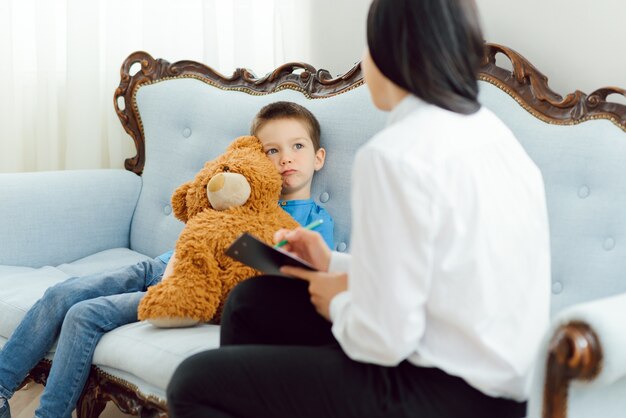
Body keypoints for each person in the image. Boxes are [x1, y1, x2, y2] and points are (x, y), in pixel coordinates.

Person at [165, 0, 551, 417]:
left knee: (193, 382)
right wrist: (330, 263)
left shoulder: (394, 154)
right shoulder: (494, 136)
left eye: (368, 48)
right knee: (250, 302)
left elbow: (383, 340)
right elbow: (430, 276)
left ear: (392, 53)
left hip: (439, 393)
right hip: (502, 391)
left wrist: (337, 303)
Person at [0, 101, 333, 418]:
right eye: (272, 150)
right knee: (61, 293)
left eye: (298, 147)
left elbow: (296, 281)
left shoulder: (315, 225)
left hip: (186, 288)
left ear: (318, 157)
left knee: (84, 314)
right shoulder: (239, 189)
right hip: (159, 264)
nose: (285, 158)